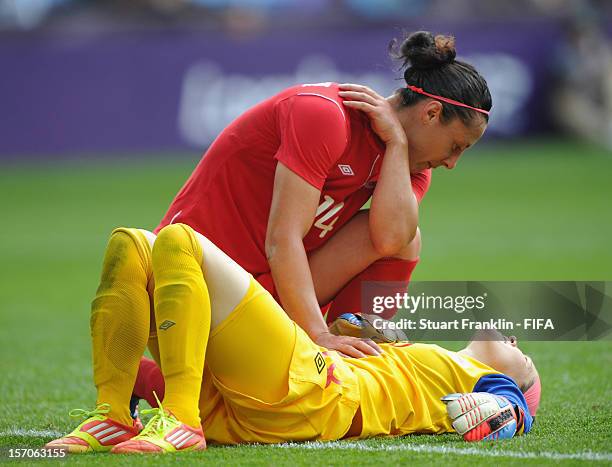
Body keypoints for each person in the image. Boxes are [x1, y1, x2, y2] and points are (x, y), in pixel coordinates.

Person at [45, 223, 540, 453]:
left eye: (526, 357)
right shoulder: (421, 355)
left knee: (180, 241)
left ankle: (177, 421)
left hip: (318, 396)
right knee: (130, 245)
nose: (517, 341)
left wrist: (508, 412)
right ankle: (112, 416)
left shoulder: (483, 381)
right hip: (240, 408)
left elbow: (508, 412)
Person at [153, 31, 492, 357]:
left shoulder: (408, 164)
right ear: (431, 113)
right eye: (455, 146)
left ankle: (345, 358)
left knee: (407, 237)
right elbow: (281, 239)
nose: (452, 163)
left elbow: (392, 240)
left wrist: (397, 142)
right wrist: (318, 336)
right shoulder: (324, 115)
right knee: (249, 398)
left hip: (261, 292)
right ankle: (148, 375)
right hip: (192, 283)